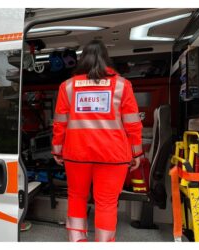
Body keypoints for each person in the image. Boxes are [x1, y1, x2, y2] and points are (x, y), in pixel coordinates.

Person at [51, 40, 143, 242]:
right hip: (113, 156)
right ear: (105, 59)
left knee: (76, 197)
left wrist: (57, 151)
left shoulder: (67, 87)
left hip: (76, 154)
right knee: (107, 203)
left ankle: (77, 241)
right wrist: (137, 153)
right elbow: (133, 124)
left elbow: (59, 124)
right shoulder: (121, 85)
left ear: (83, 59)